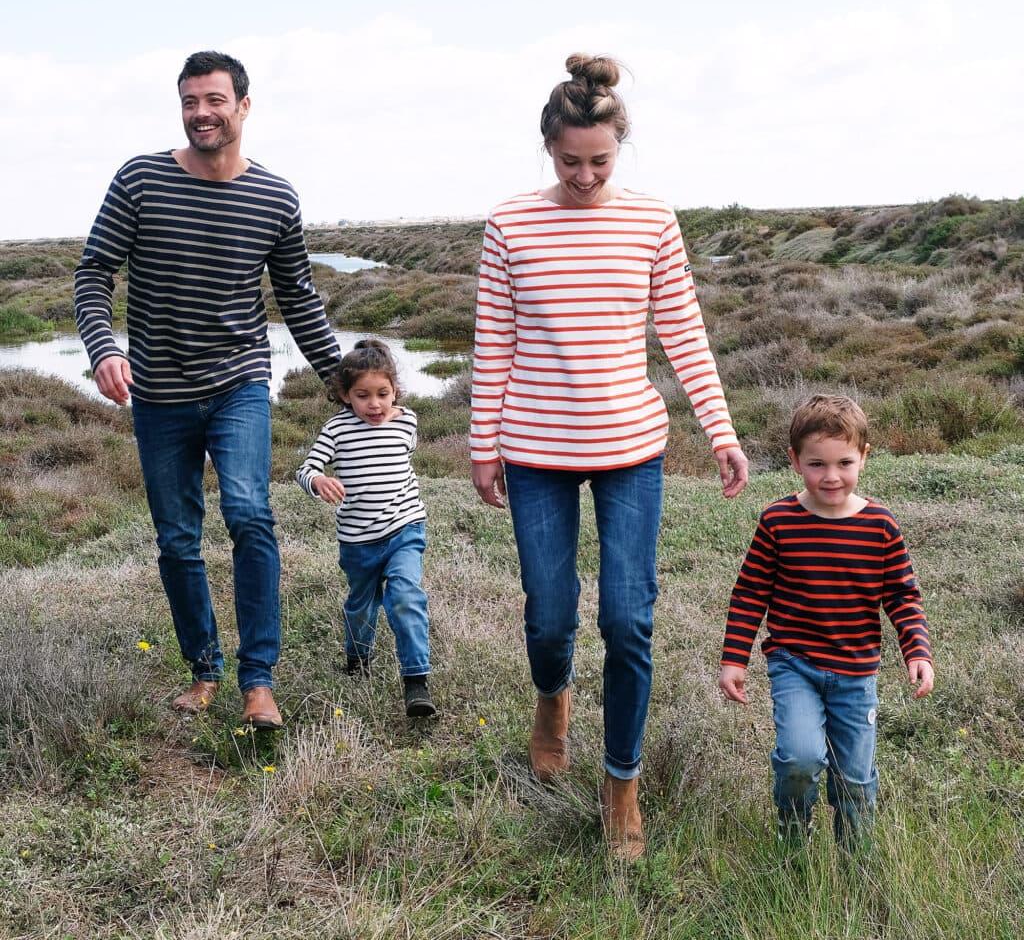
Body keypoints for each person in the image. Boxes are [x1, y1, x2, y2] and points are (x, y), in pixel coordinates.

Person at [470, 53, 749, 860]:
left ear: (619, 147)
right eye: (570, 161)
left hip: (632, 449)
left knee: (628, 620)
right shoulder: (510, 223)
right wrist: (483, 445)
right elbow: (496, 340)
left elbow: (685, 334)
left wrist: (721, 432)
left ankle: (621, 784)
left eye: (601, 160)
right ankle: (551, 698)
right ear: (547, 149)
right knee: (551, 615)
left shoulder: (652, 220)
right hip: (534, 448)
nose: (586, 175)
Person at [74, 51, 341, 729]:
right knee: (177, 539)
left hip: (239, 382)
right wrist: (105, 349)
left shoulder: (275, 197)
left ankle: (259, 682)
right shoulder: (140, 180)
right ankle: (204, 671)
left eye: (214, 100)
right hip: (160, 393)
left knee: (250, 514)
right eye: (190, 101)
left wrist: (339, 374)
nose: (201, 113)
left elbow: (298, 297)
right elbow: (93, 272)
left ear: (242, 107)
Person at [718, 394, 934, 847]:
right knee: (800, 758)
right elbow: (750, 593)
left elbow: (901, 594)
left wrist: (916, 650)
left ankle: (855, 860)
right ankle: (792, 835)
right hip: (794, 664)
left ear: (864, 458)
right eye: (817, 464)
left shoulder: (880, 525)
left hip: (856, 673)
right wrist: (734, 659)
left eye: (844, 463)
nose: (831, 476)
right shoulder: (778, 521)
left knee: (854, 778)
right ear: (795, 460)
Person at [295, 340, 436, 717]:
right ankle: (357, 661)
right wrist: (319, 481)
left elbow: (403, 461)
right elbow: (305, 469)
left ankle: (416, 681)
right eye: (363, 395)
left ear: (395, 391)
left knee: (405, 597)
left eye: (383, 394)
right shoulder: (337, 429)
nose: (374, 404)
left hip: (405, 528)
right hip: (358, 541)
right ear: (344, 395)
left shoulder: (408, 420)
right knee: (361, 605)